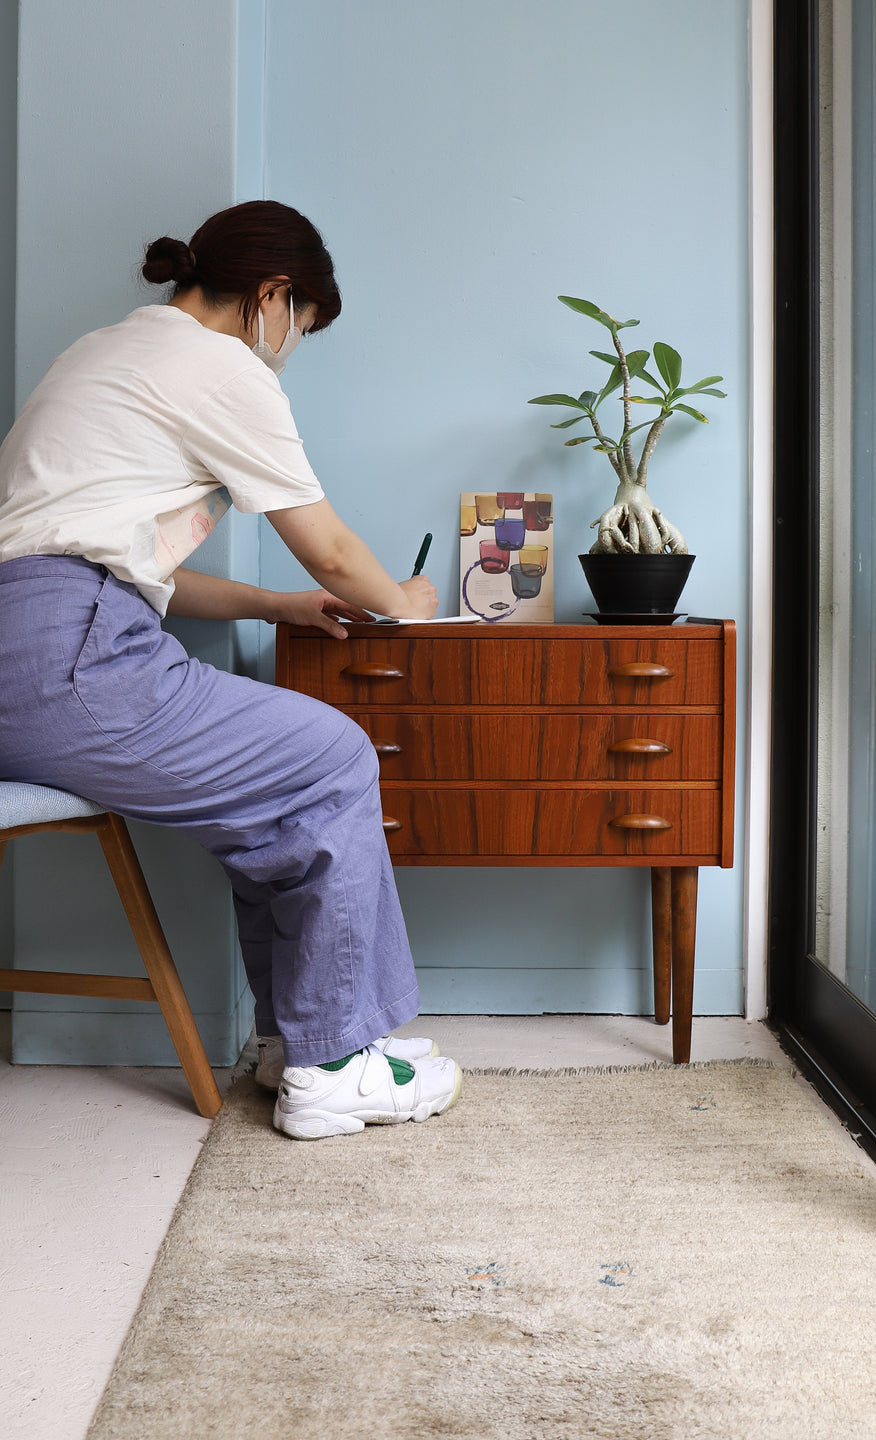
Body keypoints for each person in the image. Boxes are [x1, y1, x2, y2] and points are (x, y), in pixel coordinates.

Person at [0, 200, 462, 1139]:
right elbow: (330, 548)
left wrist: (273, 606)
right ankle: (334, 1065)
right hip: (75, 661)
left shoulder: (96, 352)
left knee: (272, 794)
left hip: (30, 656)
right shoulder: (220, 366)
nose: (286, 349)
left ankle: (306, 1041)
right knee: (332, 757)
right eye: (298, 330)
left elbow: (102, 559)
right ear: (273, 297)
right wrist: (400, 602)